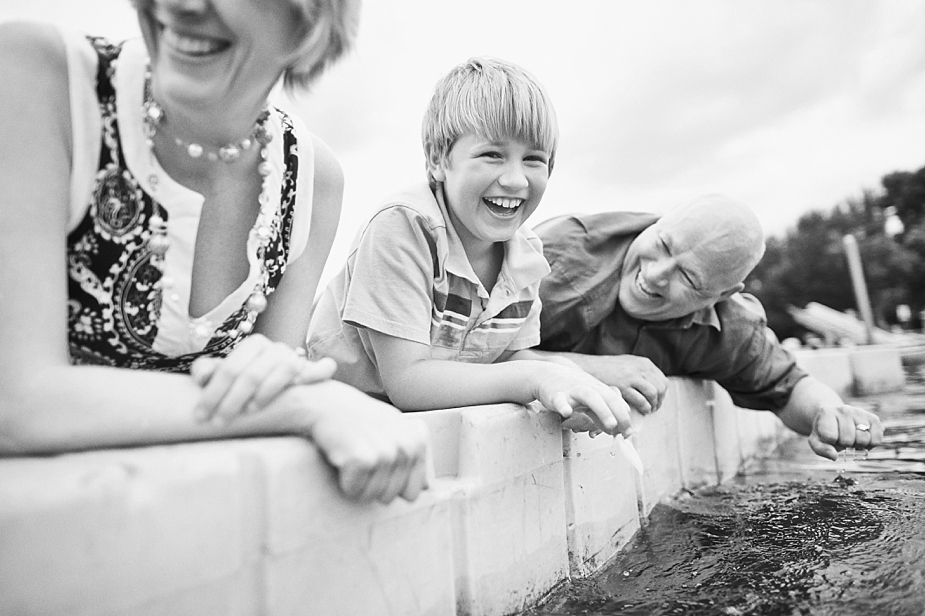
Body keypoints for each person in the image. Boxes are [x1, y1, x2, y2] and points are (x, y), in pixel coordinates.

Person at [0, 0, 429, 504]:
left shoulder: (313, 179)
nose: (179, 7)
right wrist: (303, 404)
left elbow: (273, 376)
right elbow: (18, 401)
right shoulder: (37, 76)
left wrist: (280, 383)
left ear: (312, 21)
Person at [307, 57, 631, 436]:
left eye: (533, 159)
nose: (515, 179)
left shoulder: (526, 257)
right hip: (336, 422)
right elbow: (409, 382)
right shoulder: (403, 227)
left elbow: (507, 356)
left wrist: (568, 381)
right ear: (438, 159)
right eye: (492, 154)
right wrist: (536, 377)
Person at [533, 194, 884, 460]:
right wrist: (592, 370)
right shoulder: (552, 259)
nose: (654, 275)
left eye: (687, 277)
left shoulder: (730, 325)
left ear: (721, 296)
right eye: (662, 244)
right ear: (659, 223)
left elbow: (787, 387)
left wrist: (829, 413)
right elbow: (478, 358)